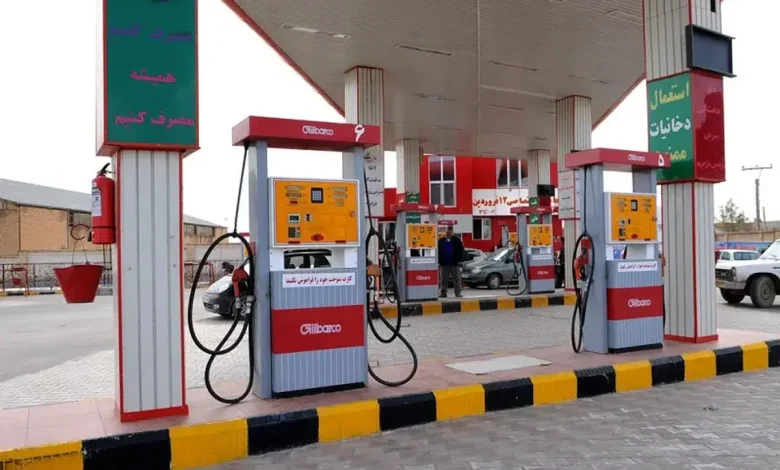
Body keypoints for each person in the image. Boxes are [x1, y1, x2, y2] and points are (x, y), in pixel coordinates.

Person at [437, 226, 464, 298]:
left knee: (457, 279)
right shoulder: (441, 241)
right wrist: (439, 261)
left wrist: (459, 260)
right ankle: (443, 293)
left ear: (452, 232)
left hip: (454, 264)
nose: (448, 234)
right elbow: (438, 251)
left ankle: (458, 293)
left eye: (449, 232)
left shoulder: (457, 241)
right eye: (447, 232)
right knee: (444, 280)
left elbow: (461, 251)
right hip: (444, 264)